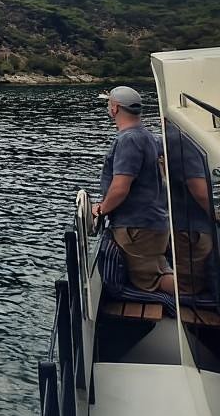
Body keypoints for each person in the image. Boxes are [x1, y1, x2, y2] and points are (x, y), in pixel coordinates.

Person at [92, 86, 171, 292]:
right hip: (152, 223)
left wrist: (101, 209)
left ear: (115, 108)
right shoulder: (148, 136)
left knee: (150, 281)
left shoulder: (129, 139)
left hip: (138, 227)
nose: (109, 108)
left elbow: (120, 187)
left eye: (110, 104)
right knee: (160, 270)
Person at [165, 121, 216, 295]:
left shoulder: (180, 138)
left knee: (188, 288)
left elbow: (198, 188)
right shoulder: (186, 134)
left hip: (191, 231)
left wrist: (214, 215)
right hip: (193, 227)